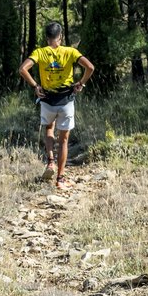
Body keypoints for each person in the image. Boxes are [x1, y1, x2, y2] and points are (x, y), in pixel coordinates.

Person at [20, 21, 94, 188]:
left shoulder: (40, 52)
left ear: (47, 38)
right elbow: (90, 67)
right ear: (60, 37)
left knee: (48, 128)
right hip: (66, 101)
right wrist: (81, 83)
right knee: (64, 140)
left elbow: (23, 69)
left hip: (47, 100)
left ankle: (50, 161)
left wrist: (35, 86)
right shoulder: (70, 52)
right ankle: (60, 179)